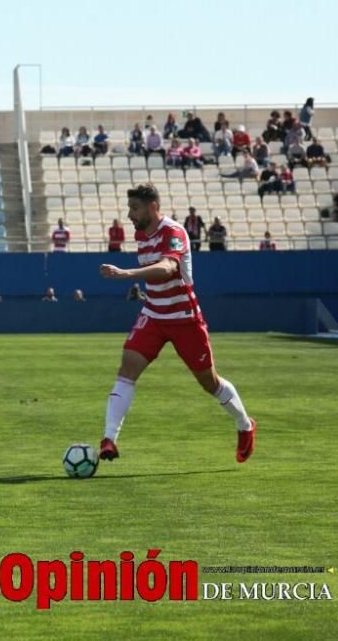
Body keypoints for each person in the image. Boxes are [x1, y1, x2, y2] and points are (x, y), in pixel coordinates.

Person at [96, 183, 256, 464]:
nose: (130, 214)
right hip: (154, 315)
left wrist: (127, 274)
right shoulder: (141, 233)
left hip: (184, 318)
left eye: (135, 208)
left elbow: (169, 268)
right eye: (129, 208)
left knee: (209, 382)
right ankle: (109, 440)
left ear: (153, 207)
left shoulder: (173, 232)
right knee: (127, 370)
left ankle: (245, 425)